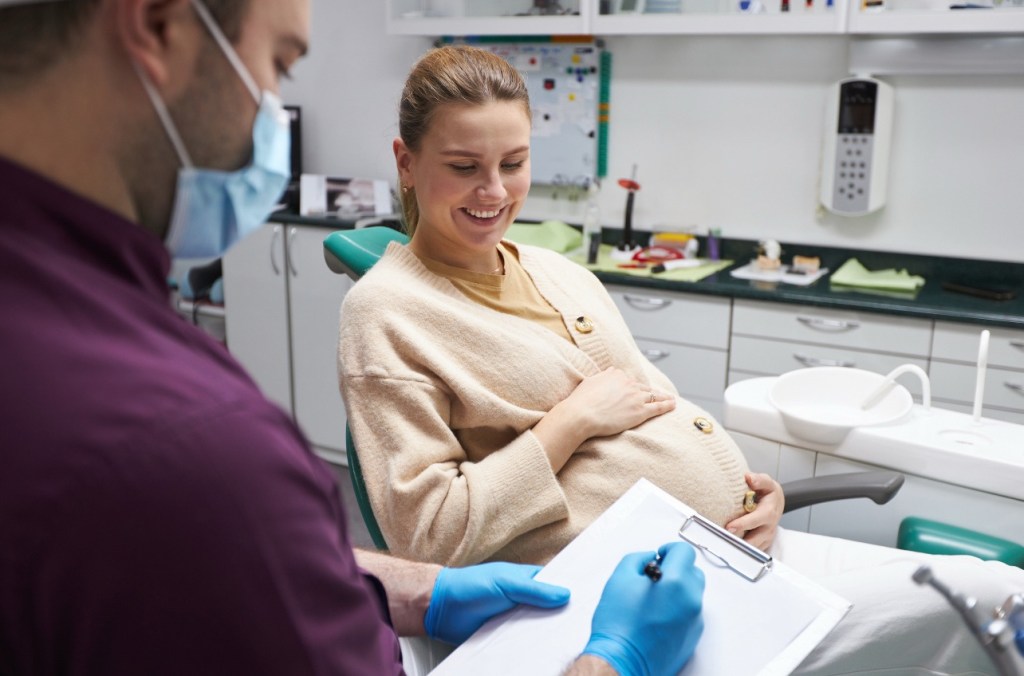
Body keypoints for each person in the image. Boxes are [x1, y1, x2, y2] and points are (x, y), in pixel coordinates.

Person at [0, 2, 707, 675]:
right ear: (155, 24)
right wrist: (617, 660)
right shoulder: (190, 442)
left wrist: (410, 591)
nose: (272, 118)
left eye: (513, 162)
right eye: (277, 63)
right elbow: (425, 524)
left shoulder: (558, 271)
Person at [337, 44, 1024, 675]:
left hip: (739, 547)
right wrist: (567, 424)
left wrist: (758, 494)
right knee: (989, 599)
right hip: (635, 603)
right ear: (405, 161)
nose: (494, 192)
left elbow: (660, 411)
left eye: (513, 164)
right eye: (464, 168)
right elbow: (428, 538)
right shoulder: (386, 314)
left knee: (1001, 598)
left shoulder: (558, 272)